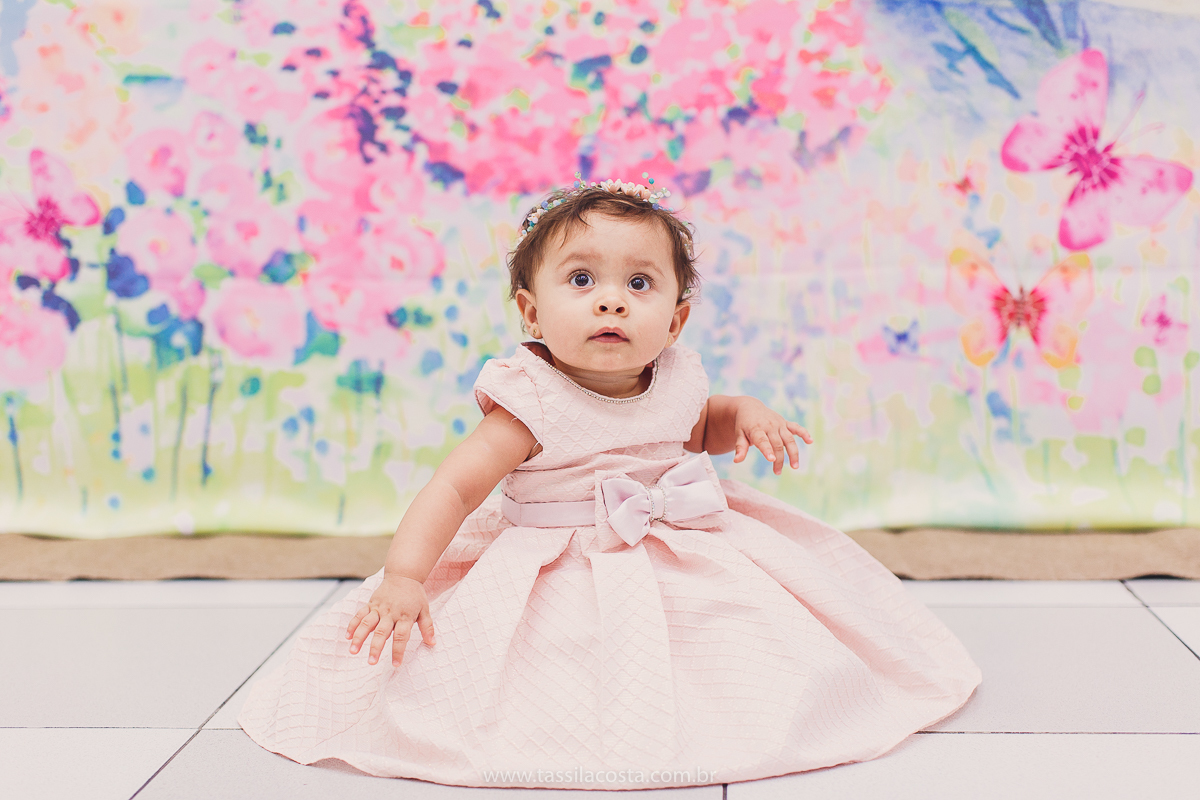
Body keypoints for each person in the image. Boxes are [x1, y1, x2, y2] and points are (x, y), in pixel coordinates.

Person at [238, 175, 982, 790]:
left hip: (679, 544)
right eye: (582, 279)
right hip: (556, 562)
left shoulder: (675, 377)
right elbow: (455, 490)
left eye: (639, 282)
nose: (611, 299)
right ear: (530, 311)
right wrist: (405, 574)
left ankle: (758, 705)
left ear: (677, 320)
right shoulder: (527, 399)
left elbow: (694, 427)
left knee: (743, 638)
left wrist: (742, 416)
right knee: (552, 669)